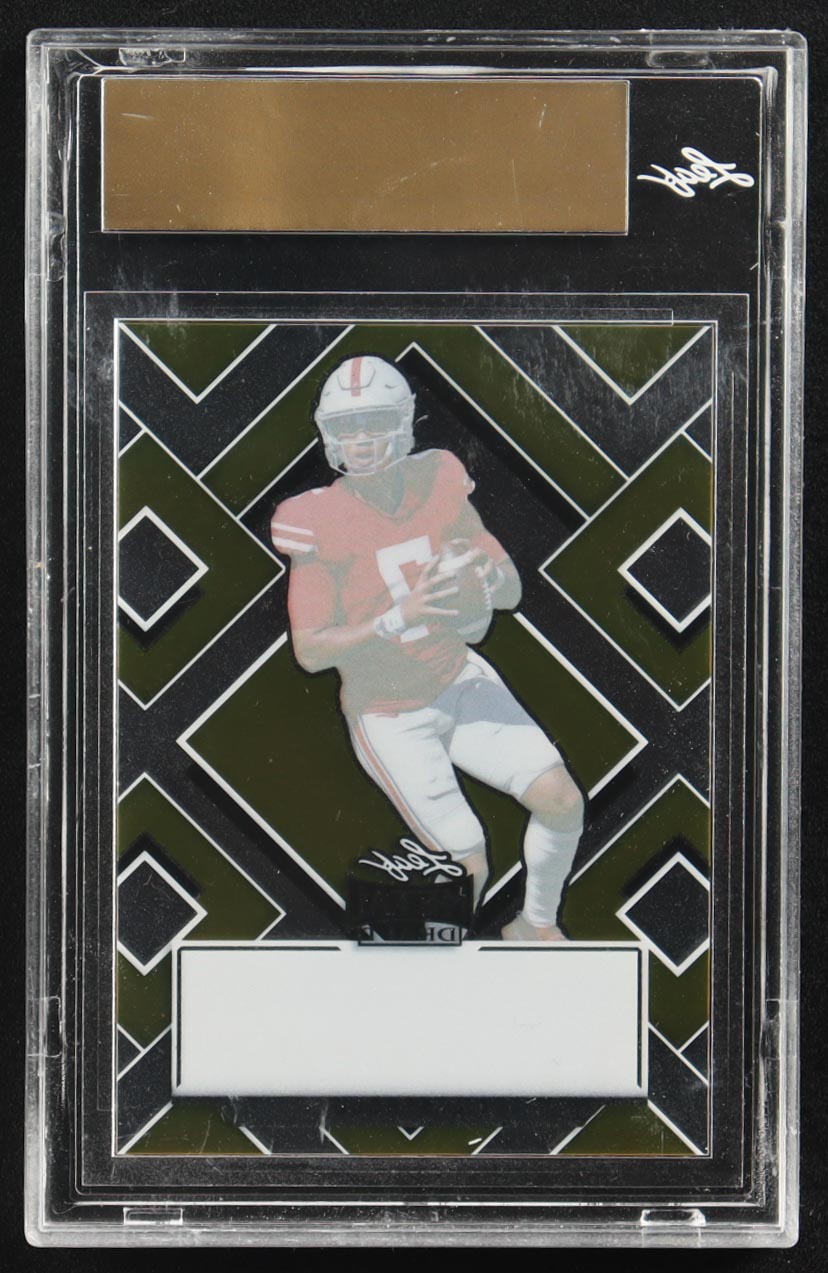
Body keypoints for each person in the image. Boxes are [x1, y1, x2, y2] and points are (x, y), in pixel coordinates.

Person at [271, 355, 584, 940]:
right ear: (330, 436)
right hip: (390, 714)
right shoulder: (315, 518)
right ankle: (428, 977)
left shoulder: (439, 477)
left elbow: (510, 587)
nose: (361, 441)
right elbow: (310, 651)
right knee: (467, 865)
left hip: (457, 677)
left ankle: (535, 926)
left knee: (562, 801)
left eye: (374, 423)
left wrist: (486, 581)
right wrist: (397, 619)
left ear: (403, 422)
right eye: (348, 428)